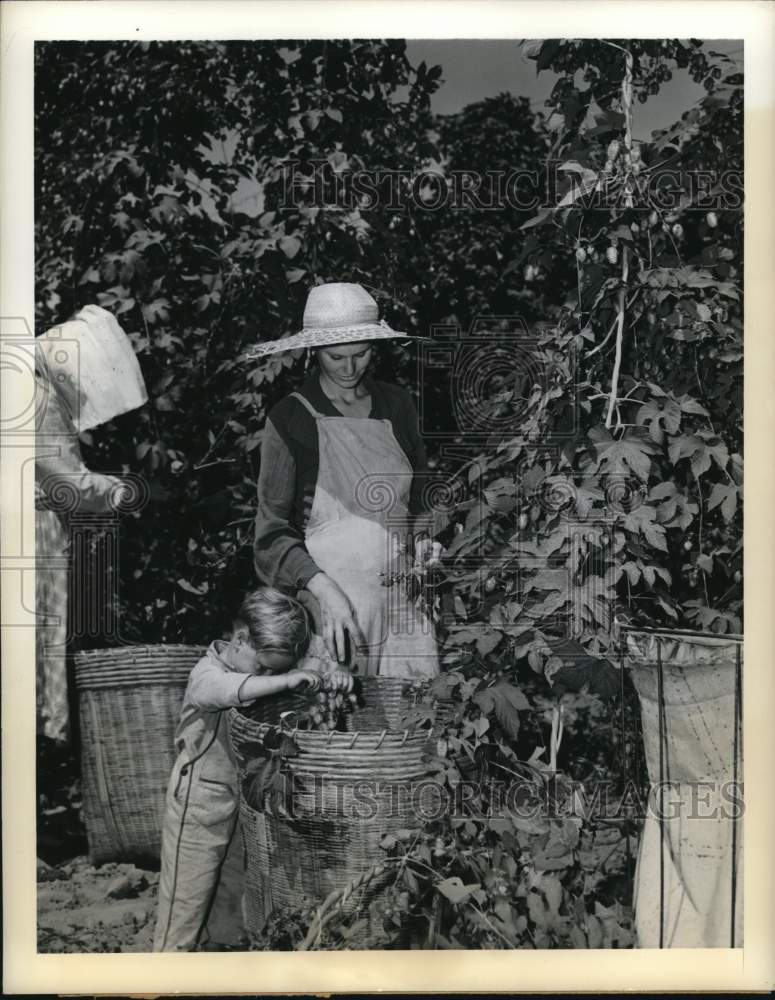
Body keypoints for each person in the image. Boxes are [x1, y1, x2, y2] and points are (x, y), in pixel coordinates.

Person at [250, 282, 441, 680]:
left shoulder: (397, 404)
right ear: (314, 350)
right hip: (335, 606)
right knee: (339, 730)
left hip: (404, 599)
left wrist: (425, 541)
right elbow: (270, 538)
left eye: (362, 354)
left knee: (414, 723)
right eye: (337, 357)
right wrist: (323, 591)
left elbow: (420, 499)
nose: (350, 368)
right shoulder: (289, 418)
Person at [153, 586, 353, 952]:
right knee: (186, 897)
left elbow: (308, 672)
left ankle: (215, 960)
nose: (267, 675)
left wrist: (335, 675)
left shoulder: (255, 667)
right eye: (263, 666)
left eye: (274, 671)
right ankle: (165, 967)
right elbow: (233, 690)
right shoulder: (208, 674)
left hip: (239, 802)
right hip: (198, 803)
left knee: (229, 899)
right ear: (240, 640)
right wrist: (285, 680)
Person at [35, 304, 148, 745]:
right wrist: (118, 491)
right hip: (33, 529)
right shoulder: (38, 399)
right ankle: (43, 732)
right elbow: (69, 481)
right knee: (41, 628)